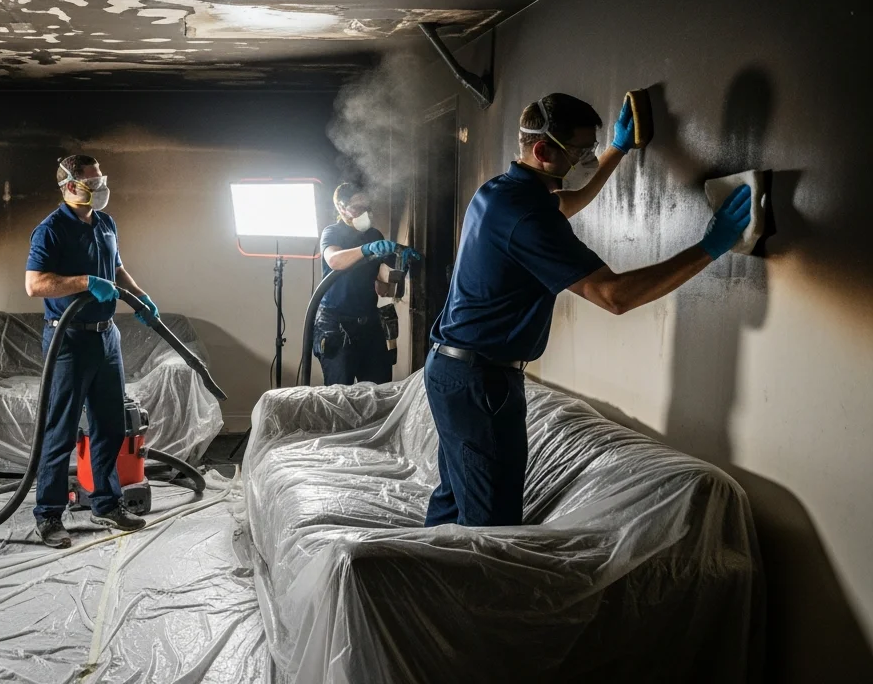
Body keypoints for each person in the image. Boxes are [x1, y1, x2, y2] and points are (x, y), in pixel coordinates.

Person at [424, 93, 752, 527]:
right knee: (491, 526)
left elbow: (568, 202)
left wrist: (617, 151)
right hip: (480, 382)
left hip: (452, 371)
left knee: (454, 501)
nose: (586, 159)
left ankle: (422, 567)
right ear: (544, 151)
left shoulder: (500, 192)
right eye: (580, 152)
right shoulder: (528, 217)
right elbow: (614, 296)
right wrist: (709, 248)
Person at [24, 154, 160, 548]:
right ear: (70, 186)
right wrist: (85, 282)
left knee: (110, 425)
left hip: (106, 337)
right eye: (92, 183)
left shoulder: (105, 223)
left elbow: (116, 269)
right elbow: (35, 285)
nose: (101, 189)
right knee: (61, 431)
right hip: (68, 340)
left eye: (101, 180)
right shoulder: (50, 230)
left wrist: (140, 296)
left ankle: (106, 503)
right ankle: (49, 515)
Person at [315, 182, 421, 386]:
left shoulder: (374, 235)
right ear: (341, 208)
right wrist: (366, 249)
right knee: (340, 391)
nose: (364, 213)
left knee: (379, 388)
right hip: (336, 324)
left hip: (369, 321)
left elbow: (383, 281)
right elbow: (334, 260)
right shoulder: (332, 232)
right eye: (357, 207)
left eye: (367, 207)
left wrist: (402, 259)